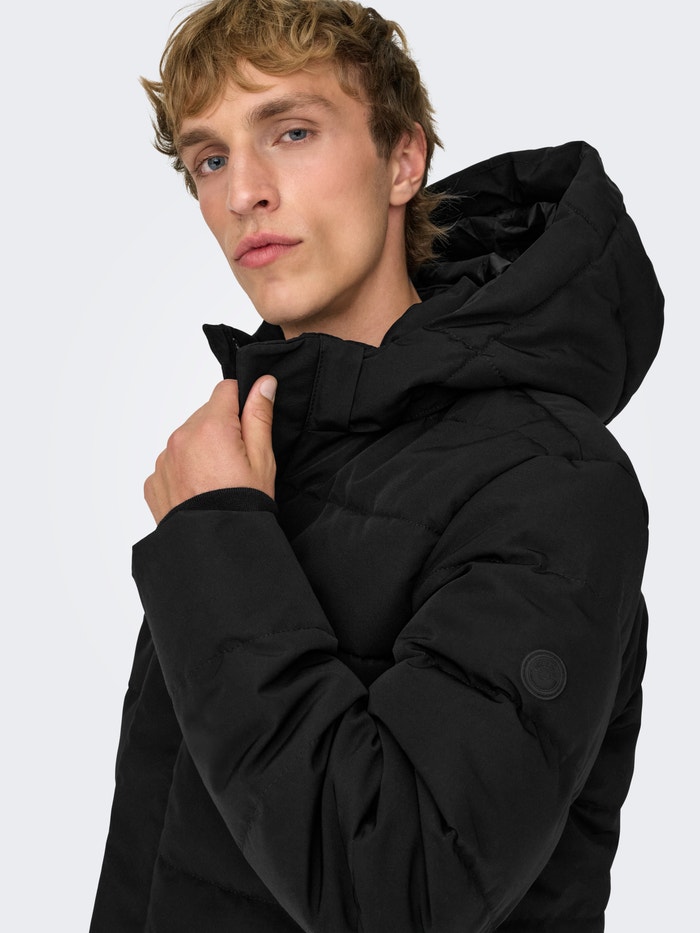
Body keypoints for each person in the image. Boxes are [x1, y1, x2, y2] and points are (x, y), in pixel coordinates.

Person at [89, 1, 664, 930]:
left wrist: (212, 546)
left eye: (292, 131)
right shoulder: (264, 451)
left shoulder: (555, 484)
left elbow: (404, 890)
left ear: (403, 159)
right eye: (210, 158)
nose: (243, 193)